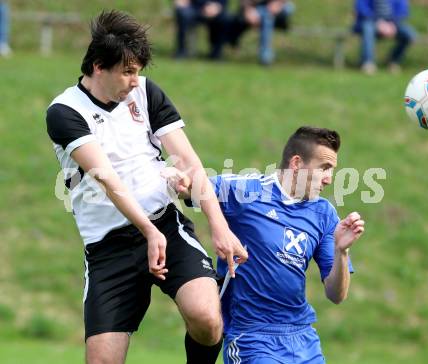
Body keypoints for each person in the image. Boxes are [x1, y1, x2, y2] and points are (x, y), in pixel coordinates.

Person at [45, 10, 247, 364]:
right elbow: (108, 178)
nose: (135, 81)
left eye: (138, 71)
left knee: (206, 317)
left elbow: (187, 160)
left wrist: (219, 226)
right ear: (97, 66)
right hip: (108, 247)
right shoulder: (64, 112)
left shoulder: (145, 94)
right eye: (127, 72)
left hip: (165, 223)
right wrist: (147, 231)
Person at [166, 126, 365, 363]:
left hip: (303, 339)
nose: (329, 179)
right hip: (251, 337)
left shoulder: (324, 214)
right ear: (297, 163)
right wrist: (178, 179)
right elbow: (194, 187)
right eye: (324, 168)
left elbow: (336, 294)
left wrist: (341, 251)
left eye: (332, 170)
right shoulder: (245, 191)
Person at [353, 0, 416, 74]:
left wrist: (393, 23)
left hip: (392, 24)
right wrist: (378, 22)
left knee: (408, 34)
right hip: (370, 22)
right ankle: (368, 63)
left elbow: (403, 10)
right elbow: (361, 8)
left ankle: (393, 62)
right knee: (368, 29)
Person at [228, 0, 295, 65]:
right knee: (267, 17)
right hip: (258, 8)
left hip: (279, 5)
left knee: (268, 17)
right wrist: (248, 10)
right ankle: (265, 57)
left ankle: (265, 56)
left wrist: (278, 4)